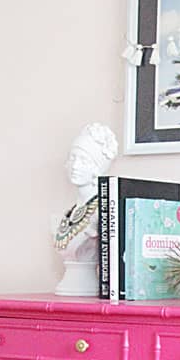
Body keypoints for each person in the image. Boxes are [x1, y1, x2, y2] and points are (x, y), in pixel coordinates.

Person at [53, 123, 118, 295]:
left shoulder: (101, 213)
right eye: (73, 158)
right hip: (68, 287)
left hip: (87, 287)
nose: (75, 166)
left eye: (84, 161)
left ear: (97, 168)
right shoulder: (69, 213)